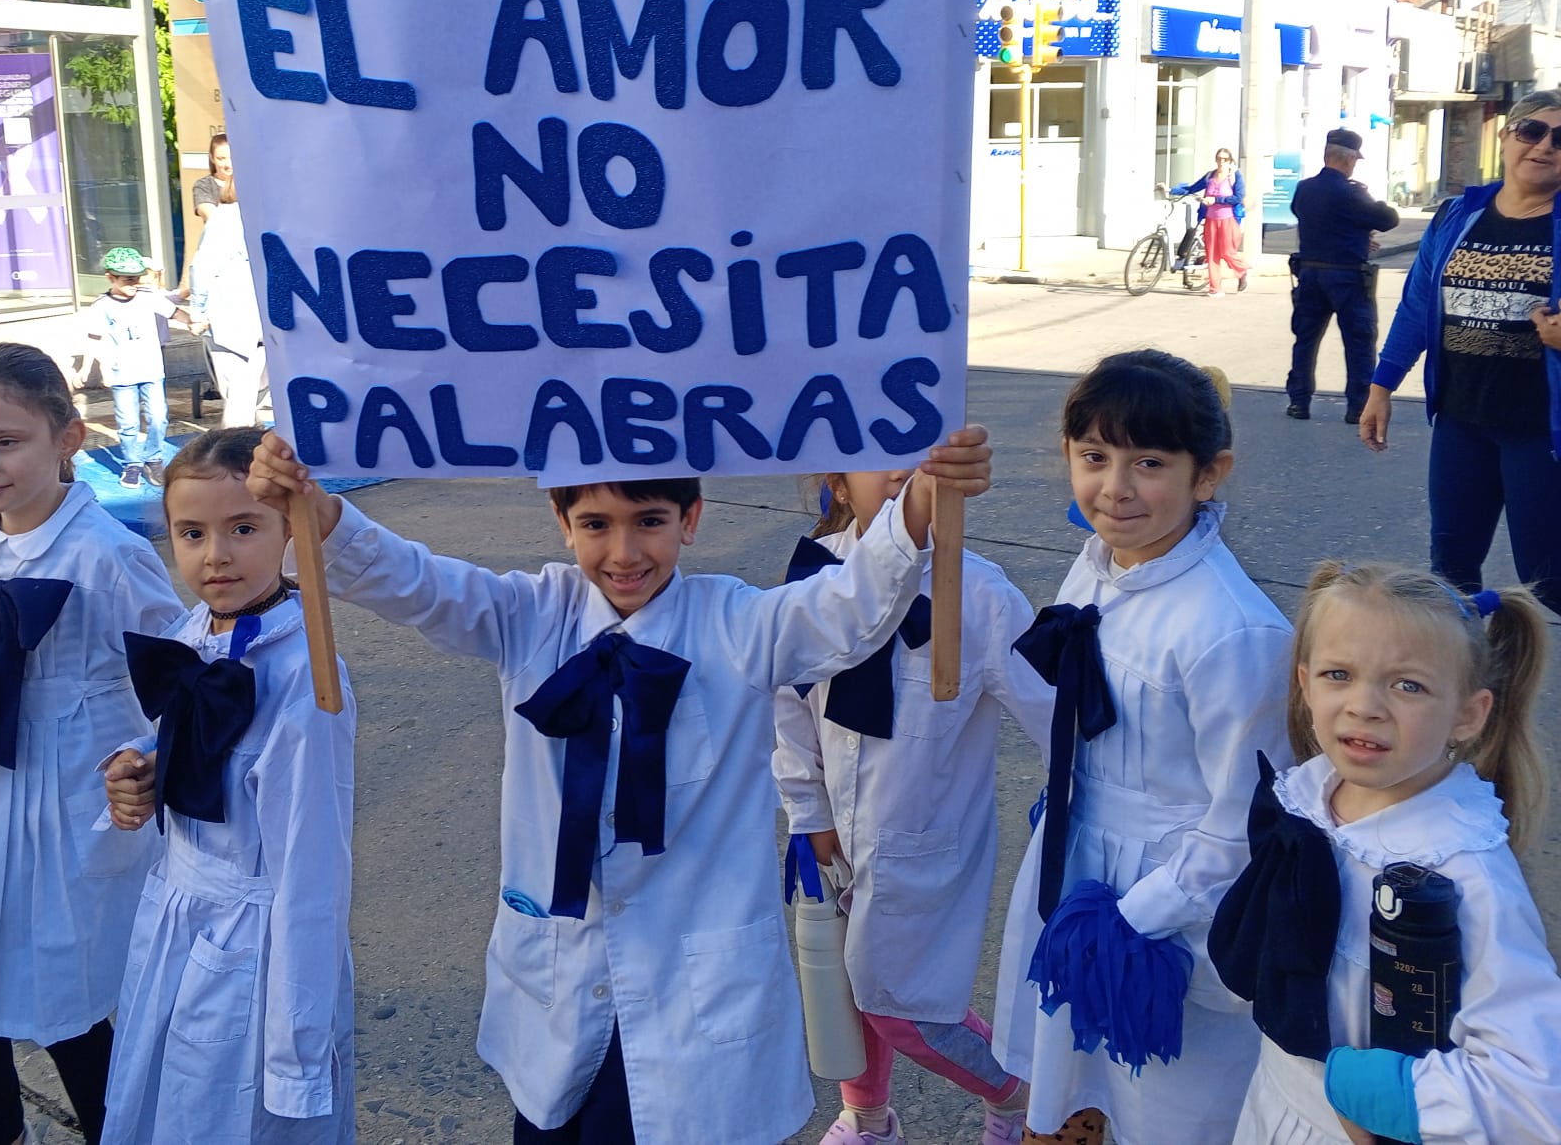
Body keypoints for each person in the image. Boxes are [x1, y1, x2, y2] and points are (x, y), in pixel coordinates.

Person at [247, 425, 994, 1144]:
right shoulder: (529, 615)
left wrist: (922, 498)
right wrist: (317, 511)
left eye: (650, 521)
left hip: (693, 999)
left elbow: (846, 607)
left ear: (690, 519)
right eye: (596, 524)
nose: (625, 552)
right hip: (560, 986)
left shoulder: (738, 624)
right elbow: (419, 584)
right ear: (562, 524)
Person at [988, 351, 1294, 1145]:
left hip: (1167, 902)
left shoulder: (1233, 629)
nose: (1116, 488)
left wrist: (1139, 917)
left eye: (1149, 463)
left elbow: (1247, 821)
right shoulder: (1097, 568)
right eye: (1094, 457)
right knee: (1075, 1080)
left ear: (1209, 474)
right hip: (1083, 868)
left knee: (1165, 1100)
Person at [0, 343, 184, 1145]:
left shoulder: (108, 553)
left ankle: (121, 1132)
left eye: (7, 441)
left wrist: (150, 759)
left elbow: (179, 678)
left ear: (66, 438)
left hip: (75, 791)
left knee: (69, 998)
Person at [1211, 562, 1558, 1144]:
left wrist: (1397, 1099)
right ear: (1305, 684)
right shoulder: (1306, 800)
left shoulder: (1462, 871)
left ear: (1469, 715)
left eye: (1408, 685)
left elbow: (1533, 1091)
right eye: (1339, 674)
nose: (1364, 705)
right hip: (1274, 1104)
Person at [774, 471, 1052, 1145]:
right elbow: (787, 701)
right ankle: (868, 1118)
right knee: (843, 985)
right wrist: (808, 810)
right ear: (839, 482)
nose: (902, 468)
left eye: (918, 449)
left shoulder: (980, 596)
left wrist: (1082, 802)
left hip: (924, 852)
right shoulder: (815, 578)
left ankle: (1019, 1095)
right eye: (879, 453)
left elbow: (1055, 710)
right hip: (835, 836)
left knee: (904, 1007)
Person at [99, 428, 355, 1144]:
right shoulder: (196, 633)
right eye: (192, 533)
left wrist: (296, 1050)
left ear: (288, 529)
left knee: (232, 1116)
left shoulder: (305, 676)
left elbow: (312, 869)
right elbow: (201, 742)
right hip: (177, 919)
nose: (215, 555)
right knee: (167, 1106)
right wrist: (142, 764)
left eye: (243, 528)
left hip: (257, 947)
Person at [1360, 91, 1561, 612]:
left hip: (1540, 430)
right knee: (1451, 568)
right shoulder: (1458, 215)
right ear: (1506, 136)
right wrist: (1382, 385)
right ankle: (1459, 658)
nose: (1545, 146)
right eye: (1532, 131)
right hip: (1461, 422)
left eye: (1560, 140)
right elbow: (1417, 305)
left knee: (1548, 577)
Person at [1287, 128, 1400, 423]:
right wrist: (1364, 220)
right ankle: (1357, 407)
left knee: (1305, 340)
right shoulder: (1351, 193)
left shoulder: (1304, 189)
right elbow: (1387, 219)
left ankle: (1298, 402)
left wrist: (1356, 233)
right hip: (1347, 278)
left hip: (1310, 274)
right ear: (1349, 160)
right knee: (1359, 342)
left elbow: (1316, 219)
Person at [86, 246, 187, 487]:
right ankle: (132, 463)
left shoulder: (148, 297)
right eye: (127, 279)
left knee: (159, 417)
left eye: (136, 278)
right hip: (122, 373)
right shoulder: (102, 306)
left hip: (151, 370)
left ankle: (154, 458)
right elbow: (94, 338)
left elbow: (174, 312)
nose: (134, 284)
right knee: (128, 423)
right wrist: (90, 368)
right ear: (111, 277)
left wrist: (193, 322)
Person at [193, 165, 269, 429]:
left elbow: (201, 267)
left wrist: (198, 312)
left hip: (243, 321)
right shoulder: (229, 219)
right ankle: (240, 446)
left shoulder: (229, 218)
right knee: (244, 398)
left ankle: (240, 444)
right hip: (242, 320)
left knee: (244, 397)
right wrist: (198, 311)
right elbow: (202, 267)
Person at [1174, 147, 1249, 296]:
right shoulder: (1210, 176)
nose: (1222, 162)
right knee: (1212, 254)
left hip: (1227, 220)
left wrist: (1216, 200)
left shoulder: (1234, 177)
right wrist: (1170, 190)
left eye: (1225, 159)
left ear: (1230, 161)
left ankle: (1242, 271)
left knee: (1227, 252)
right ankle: (1215, 288)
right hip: (1210, 220)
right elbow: (1192, 188)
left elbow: (1238, 198)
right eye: (1219, 159)